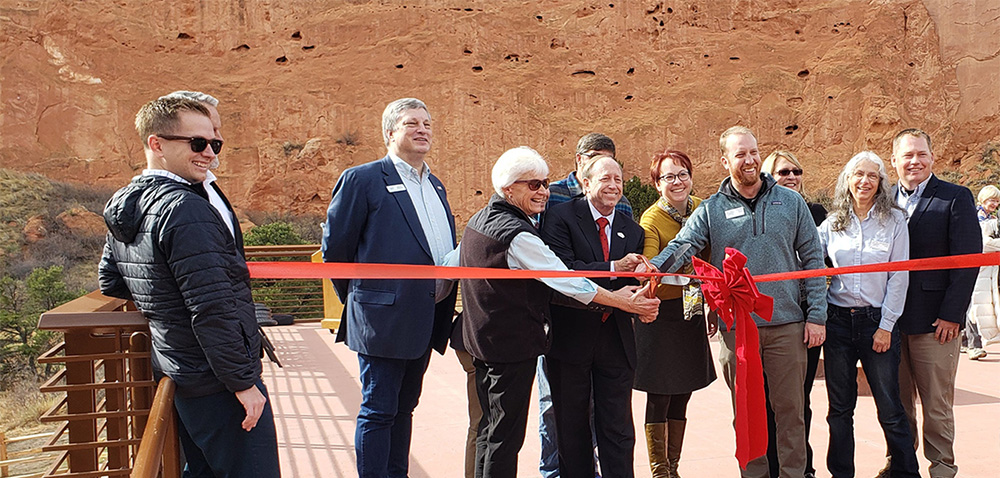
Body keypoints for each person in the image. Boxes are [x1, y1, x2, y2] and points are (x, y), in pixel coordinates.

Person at [99, 96, 280, 477]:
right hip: (219, 381)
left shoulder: (125, 203)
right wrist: (244, 383)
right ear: (157, 144)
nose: (210, 153)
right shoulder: (186, 208)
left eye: (215, 144)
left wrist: (165, 306)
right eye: (197, 144)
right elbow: (212, 308)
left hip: (178, 368)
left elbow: (111, 280)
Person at [458, 146, 660, 478]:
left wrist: (640, 303)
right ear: (509, 189)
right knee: (507, 438)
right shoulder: (528, 229)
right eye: (533, 185)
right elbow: (565, 280)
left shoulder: (483, 219)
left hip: (499, 342)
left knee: (495, 434)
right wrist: (624, 301)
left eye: (545, 183)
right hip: (519, 345)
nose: (543, 192)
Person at [650, 126, 827, 478]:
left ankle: (794, 474)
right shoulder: (711, 209)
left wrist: (817, 316)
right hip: (737, 329)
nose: (749, 160)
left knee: (791, 411)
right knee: (746, 412)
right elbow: (683, 247)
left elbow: (813, 259)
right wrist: (652, 269)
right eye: (740, 154)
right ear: (725, 161)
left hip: (787, 324)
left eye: (753, 152)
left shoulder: (791, 203)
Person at [321, 98, 459, 478]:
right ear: (389, 133)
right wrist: (362, 303)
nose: (422, 130)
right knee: (379, 410)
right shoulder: (362, 179)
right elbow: (336, 252)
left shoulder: (436, 185)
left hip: (427, 316)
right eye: (412, 123)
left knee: (404, 409)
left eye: (428, 124)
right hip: (381, 320)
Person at [539, 155, 647, 478]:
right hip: (570, 341)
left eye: (618, 179)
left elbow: (629, 288)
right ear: (585, 183)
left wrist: (644, 295)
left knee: (618, 429)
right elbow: (564, 273)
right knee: (572, 430)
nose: (614, 186)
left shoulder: (632, 229)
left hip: (615, 340)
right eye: (605, 179)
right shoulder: (560, 218)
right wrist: (615, 268)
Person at [818, 151, 920, 478]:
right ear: (847, 180)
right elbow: (813, 265)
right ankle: (841, 473)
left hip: (877, 322)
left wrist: (886, 325)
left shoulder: (895, 220)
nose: (864, 181)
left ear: (881, 183)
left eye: (872, 176)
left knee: (891, 408)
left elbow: (899, 276)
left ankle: (906, 472)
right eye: (858, 174)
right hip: (836, 323)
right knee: (839, 410)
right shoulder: (832, 223)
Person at [887, 128, 980, 478]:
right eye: (907, 155)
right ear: (894, 160)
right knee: (896, 402)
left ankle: (942, 467)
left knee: (936, 404)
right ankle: (900, 462)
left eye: (921, 154)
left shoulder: (955, 197)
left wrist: (951, 315)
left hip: (935, 323)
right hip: (890, 321)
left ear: (932, 157)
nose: (915, 161)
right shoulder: (883, 199)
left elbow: (967, 261)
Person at [635, 149, 717, 478]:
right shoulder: (652, 219)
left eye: (683, 174)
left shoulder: (702, 209)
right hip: (660, 314)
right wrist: (691, 269)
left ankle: (673, 468)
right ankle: (659, 472)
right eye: (669, 176)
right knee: (660, 394)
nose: (678, 181)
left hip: (691, 310)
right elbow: (650, 268)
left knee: (683, 391)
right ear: (657, 184)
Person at [760, 150, 826, 478]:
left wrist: (817, 315)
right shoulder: (762, 210)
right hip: (770, 318)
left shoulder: (815, 211)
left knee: (799, 401)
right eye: (782, 171)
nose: (791, 177)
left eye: (796, 171)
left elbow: (820, 260)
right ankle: (772, 467)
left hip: (804, 317)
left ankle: (804, 468)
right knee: (768, 402)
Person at [964, 185, 1000, 359]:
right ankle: (973, 344)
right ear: (983, 199)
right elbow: (983, 243)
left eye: (997, 201)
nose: (994, 203)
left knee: (982, 303)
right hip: (978, 267)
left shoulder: (991, 218)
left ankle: (965, 341)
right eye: (992, 200)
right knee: (976, 304)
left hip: (989, 268)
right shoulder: (977, 217)